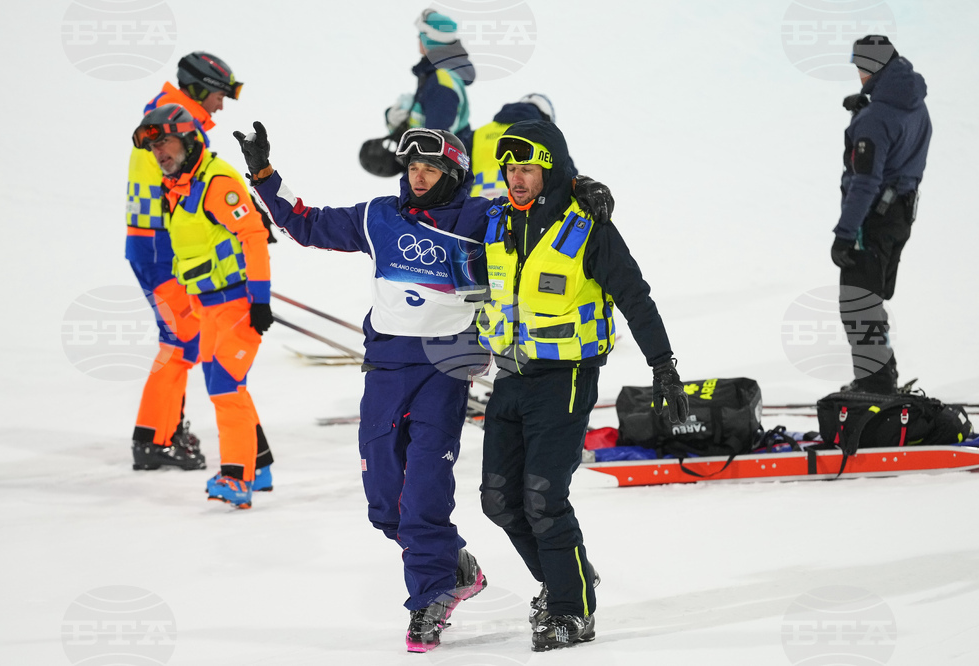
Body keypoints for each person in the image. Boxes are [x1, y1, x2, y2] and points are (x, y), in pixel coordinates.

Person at [236, 121, 614, 651]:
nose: (418, 176)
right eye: (413, 166)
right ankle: (453, 566)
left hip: (447, 366)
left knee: (423, 495)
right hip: (386, 367)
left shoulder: (484, 217)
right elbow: (306, 222)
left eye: (431, 168)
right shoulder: (378, 217)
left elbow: (539, 198)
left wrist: (581, 188)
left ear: (453, 173)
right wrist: (263, 174)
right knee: (384, 504)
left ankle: (432, 592)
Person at [474, 119, 690, 651]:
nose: (516, 178)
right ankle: (567, 579)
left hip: (565, 379)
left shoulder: (587, 225)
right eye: (510, 168)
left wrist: (662, 365)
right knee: (499, 501)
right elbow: (436, 199)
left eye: (528, 168)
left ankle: (573, 610)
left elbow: (635, 296)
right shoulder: (495, 222)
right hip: (510, 377)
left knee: (543, 497)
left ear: (550, 171)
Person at [126, 52, 274, 490]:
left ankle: (251, 461)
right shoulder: (169, 126)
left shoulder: (173, 121)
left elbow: (201, 194)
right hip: (162, 250)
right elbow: (178, 198)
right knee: (181, 342)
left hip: (171, 250)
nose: (221, 105)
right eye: (217, 94)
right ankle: (156, 438)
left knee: (202, 354)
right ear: (197, 88)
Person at [831, 35, 931, 394]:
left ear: (873, 67)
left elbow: (866, 181)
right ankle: (881, 377)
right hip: (900, 215)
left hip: (872, 218)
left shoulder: (876, 120)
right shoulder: (914, 103)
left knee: (857, 301)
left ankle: (875, 385)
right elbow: (898, 150)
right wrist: (864, 112)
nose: (858, 73)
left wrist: (845, 234)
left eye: (861, 66)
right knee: (870, 298)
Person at [384, 9, 475, 148]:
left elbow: (436, 145)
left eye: (420, 35)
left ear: (428, 40)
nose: (417, 39)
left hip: (436, 161)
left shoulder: (441, 83)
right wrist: (399, 121)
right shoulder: (436, 75)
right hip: (426, 159)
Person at [470, 93, 574, 199]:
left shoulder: (477, 134)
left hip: (479, 203)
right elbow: (566, 174)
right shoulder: (542, 138)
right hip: (521, 201)